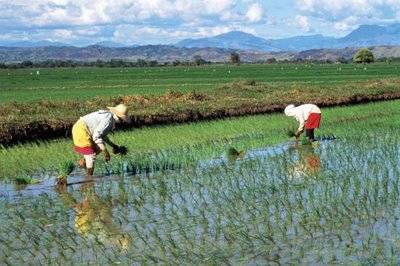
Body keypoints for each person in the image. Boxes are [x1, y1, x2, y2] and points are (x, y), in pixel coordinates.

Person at [72, 104, 130, 176]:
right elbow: (96, 136)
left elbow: (102, 135)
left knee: (99, 147)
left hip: (82, 128)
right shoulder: (108, 119)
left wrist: (114, 146)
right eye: (122, 119)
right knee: (91, 155)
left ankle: (83, 162)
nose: (122, 121)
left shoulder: (110, 117)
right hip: (81, 130)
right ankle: (88, 179)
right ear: (119, 117)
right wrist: (106, 152)